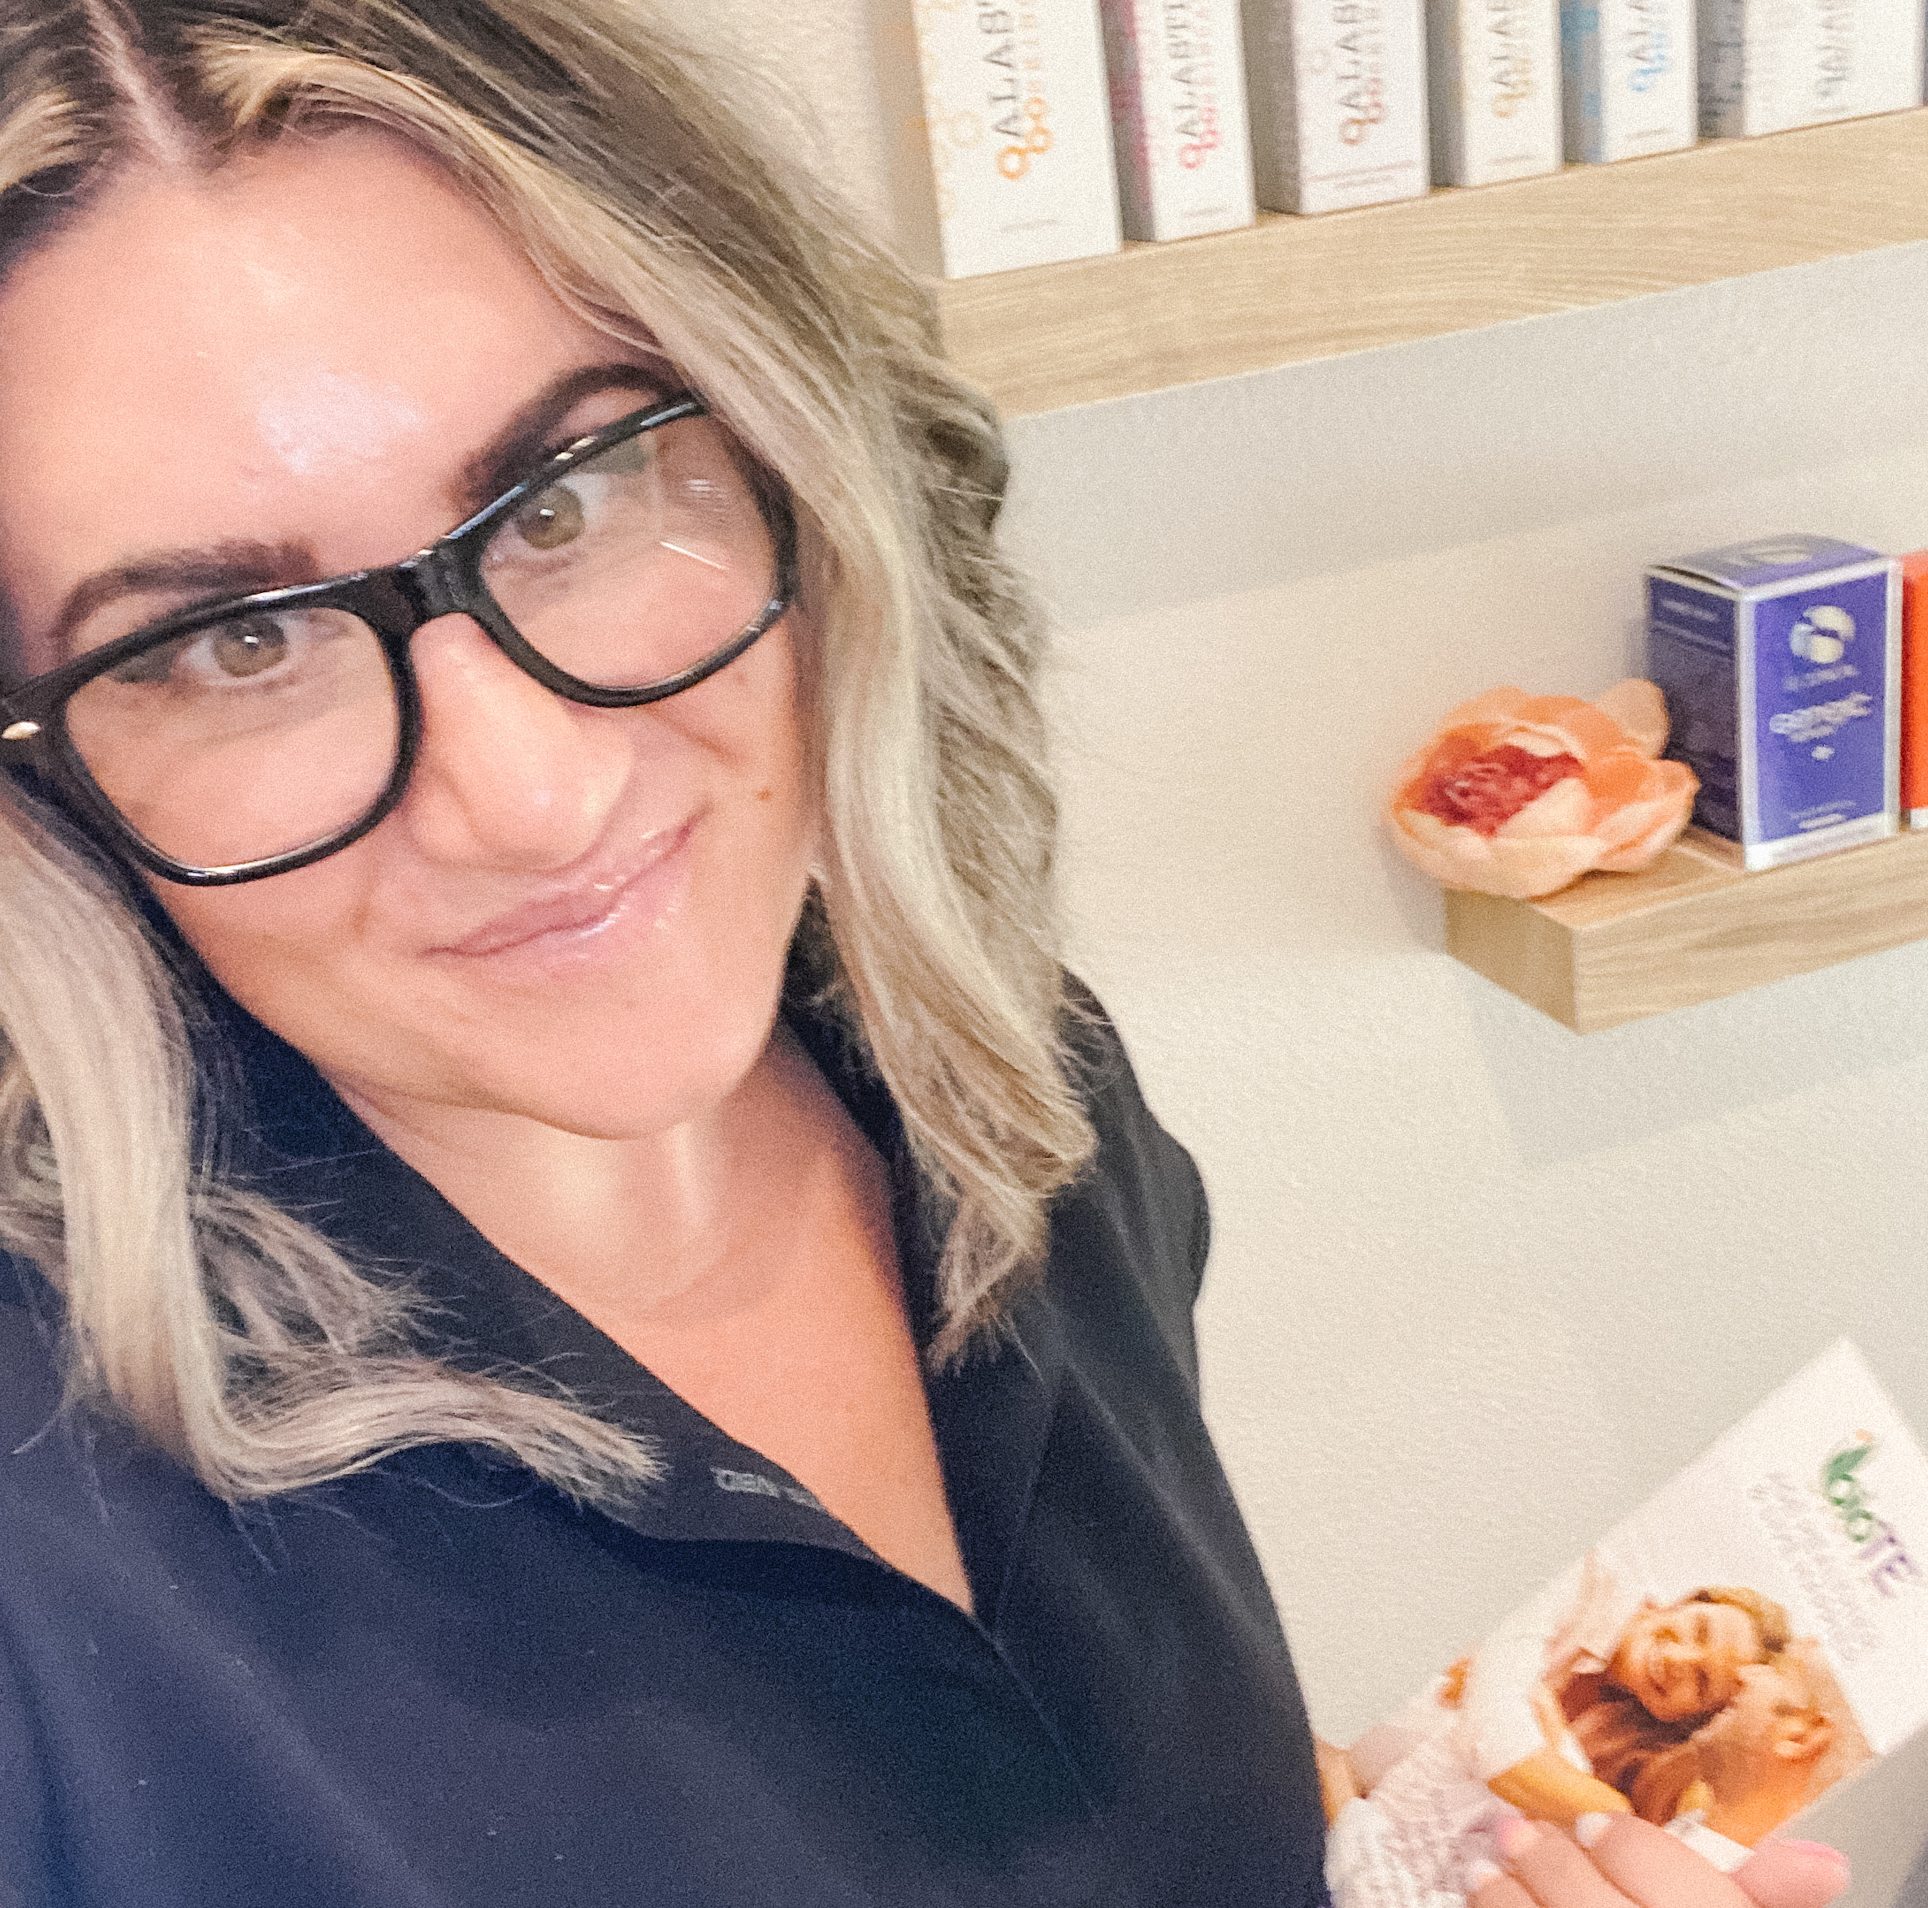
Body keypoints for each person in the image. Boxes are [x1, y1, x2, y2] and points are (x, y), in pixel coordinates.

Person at [0, 4, 1860, 1906]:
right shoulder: (51, 1606)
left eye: (564, 499)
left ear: (801, 455)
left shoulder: (1008, 1090)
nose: (532, 796)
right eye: (228, 645)